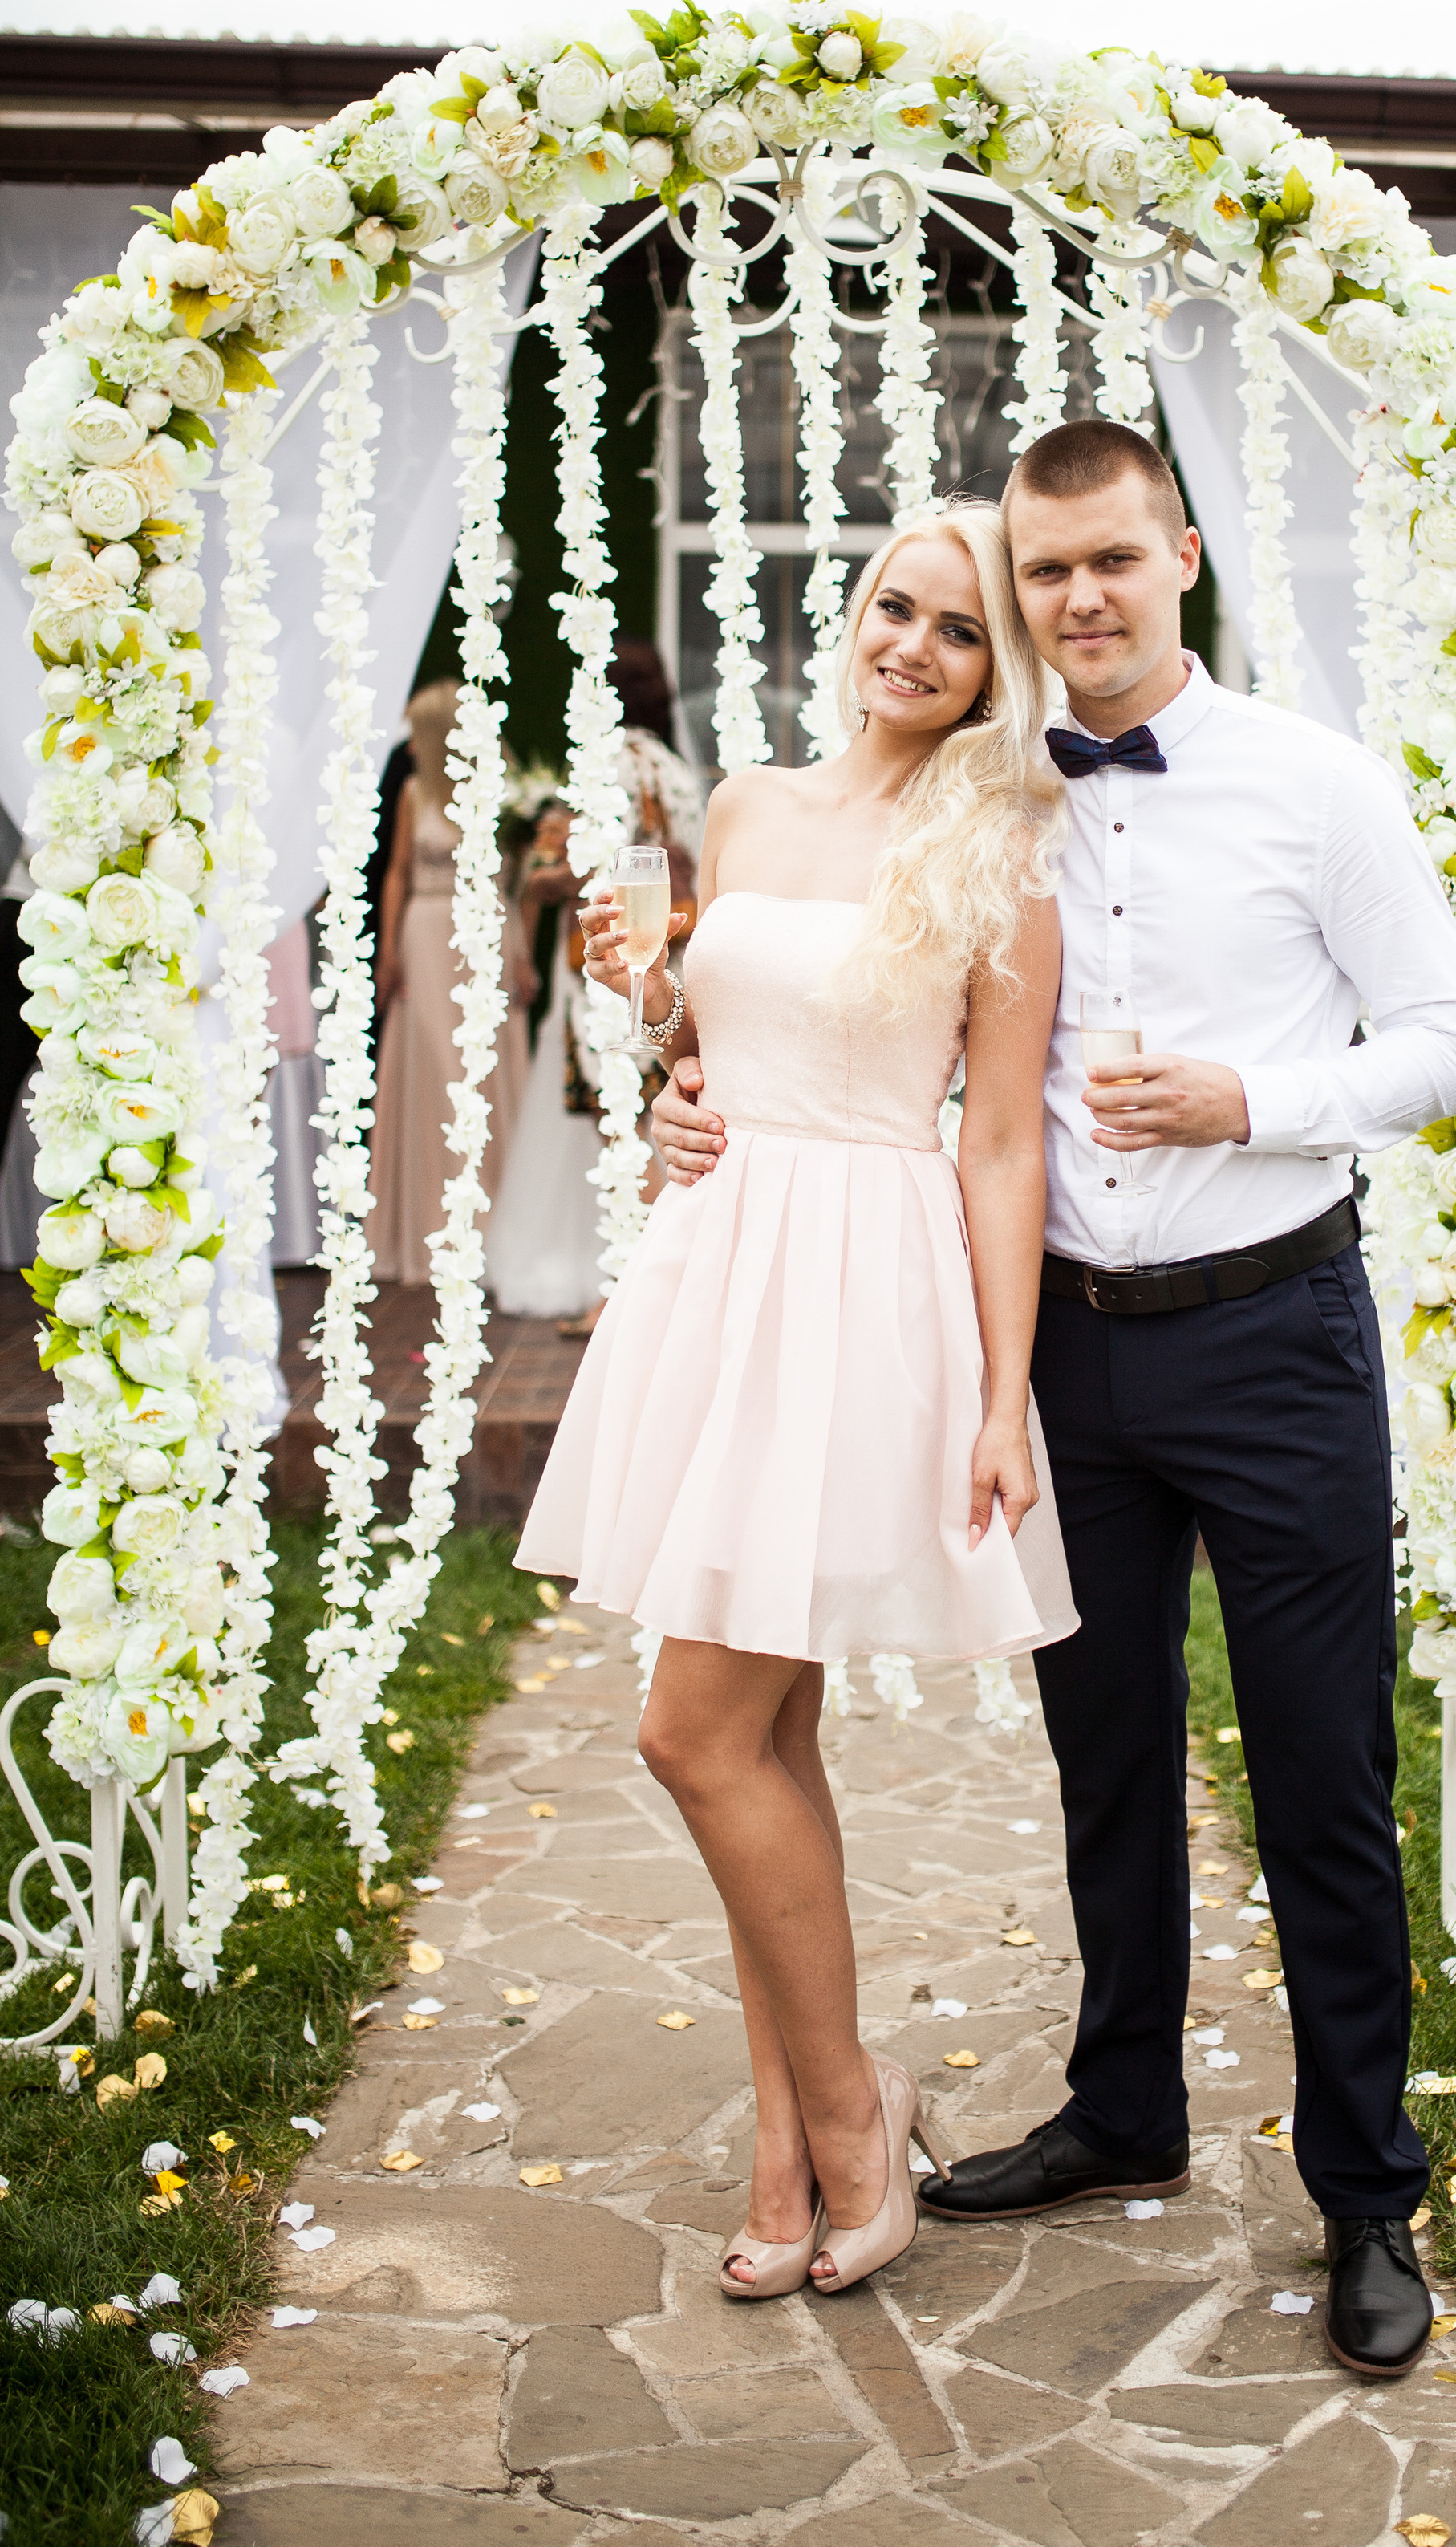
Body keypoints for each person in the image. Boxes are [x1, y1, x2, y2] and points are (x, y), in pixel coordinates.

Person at [645, 420, 1456, 2380]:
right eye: (1045, 574)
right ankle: (1122, 2108)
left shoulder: (1313, 782)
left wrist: (1252, 1101)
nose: (1077, 599)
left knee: (1315, 1774)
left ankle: (1366, 2190)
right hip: (1058, 1349)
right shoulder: (981, 798)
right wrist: (700, 1082)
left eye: (1109, 560)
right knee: (1100, 1757)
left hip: (1272, 1327)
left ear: (1179, 552)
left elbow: (1449, 1038)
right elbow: (872, 1034)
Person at [521, 506, 1078, 2304]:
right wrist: (664, 1048)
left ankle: (847, 2109)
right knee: (763, 1738)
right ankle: (790, 2146)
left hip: (864, 1287)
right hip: (720, 1263)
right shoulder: (750, 804)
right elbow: (713, 1038)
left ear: (998, 668)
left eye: (959, 629)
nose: (912, 643)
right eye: (891, 607)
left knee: (692, 1734)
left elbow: (994, 1138)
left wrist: (1002, 1397)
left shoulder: (999, 848)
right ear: (853, 615)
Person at [484, 639, 707, 1328]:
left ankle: (622, 1291)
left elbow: (587, 873)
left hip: (609, 965)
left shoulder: (601, 768)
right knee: (651, 1118)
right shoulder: (676, 772)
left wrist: (539, 874)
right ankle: (657, 1279)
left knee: (622, 1126)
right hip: (672, 956)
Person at [366, 680, 531, 1284]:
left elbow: (517, 880)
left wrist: (521, 949)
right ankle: (433, 1221)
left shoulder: (501, 794)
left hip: (486, 933)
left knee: (485, 1072)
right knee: (436, 1069)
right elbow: (398, 874)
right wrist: (389, 952)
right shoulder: (414, 794)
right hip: (428, 931)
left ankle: (495, 1219)